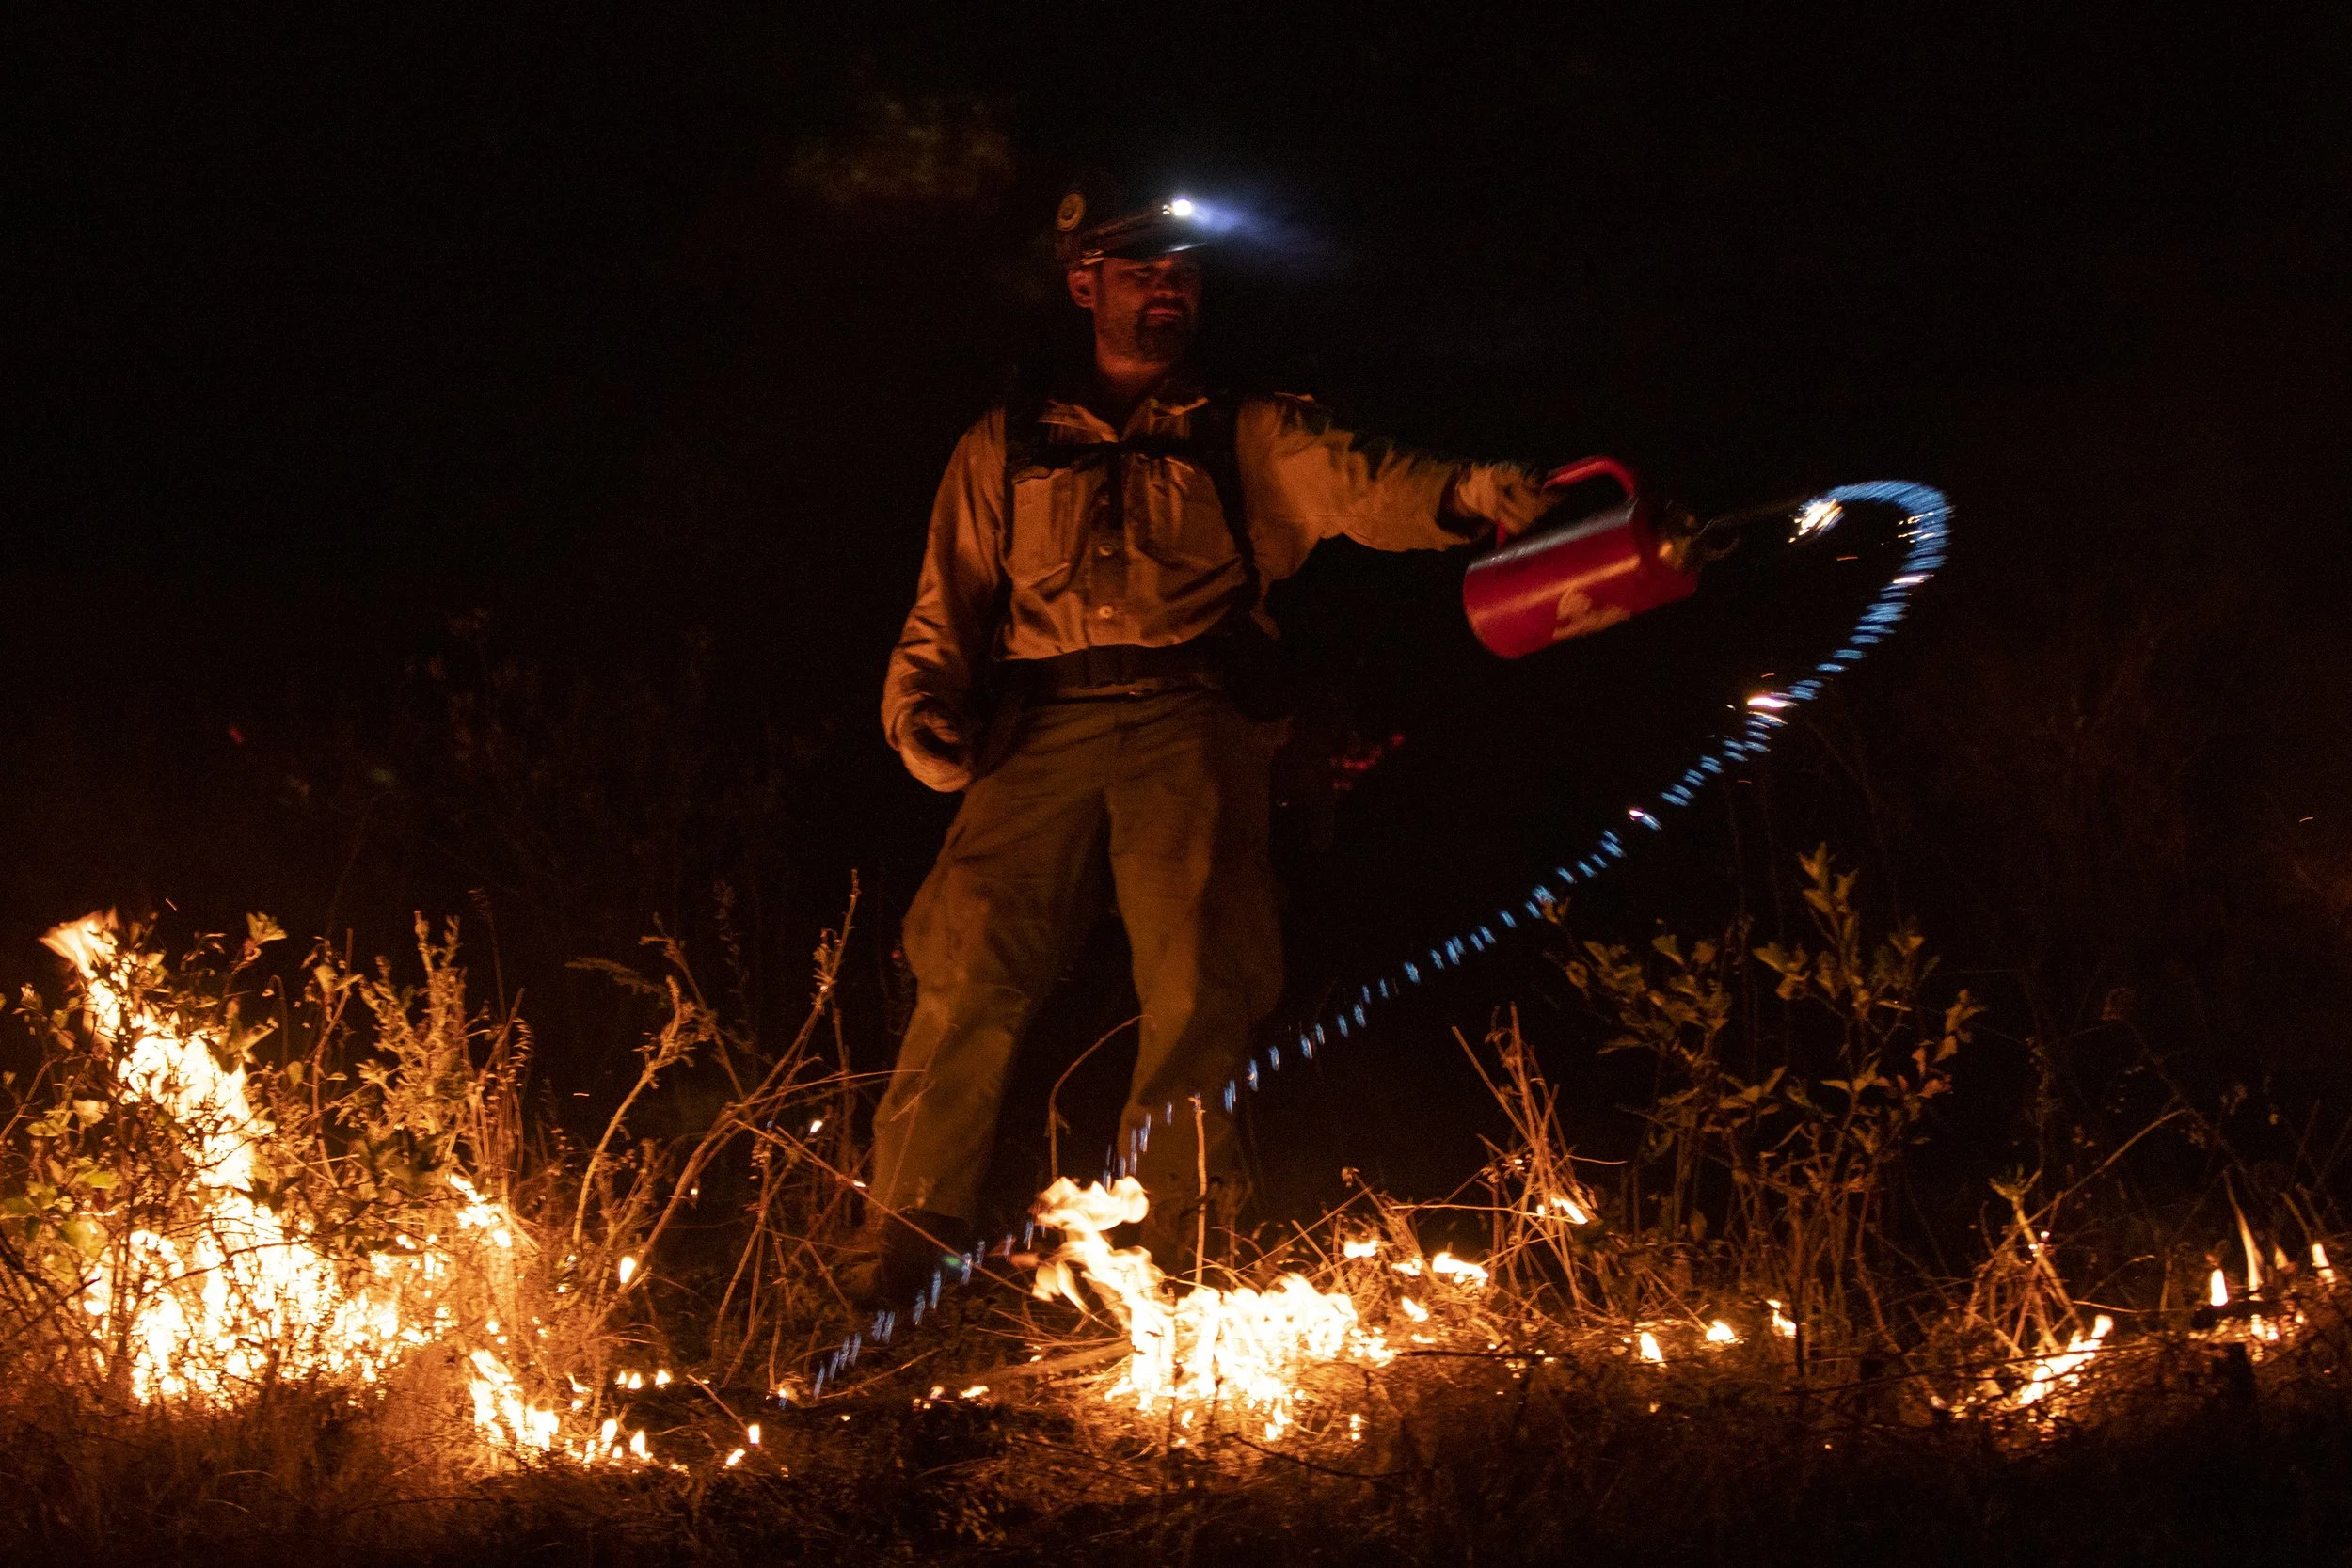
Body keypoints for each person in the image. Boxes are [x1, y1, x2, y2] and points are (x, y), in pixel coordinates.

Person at [847, 180, 1561, 1307]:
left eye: (1182, 270)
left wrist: (1477, 492)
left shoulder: (1246, 424)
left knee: (1197, 987)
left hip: (1192, 720)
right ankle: (899, 1242)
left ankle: (1173, 1255)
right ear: (1086, 285)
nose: (1167, 287)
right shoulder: (1009, 439)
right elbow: (946, 605)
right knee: (966, 966)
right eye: (1140, 270)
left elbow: (1371, 480)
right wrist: (921, 713)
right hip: (1041, 722)